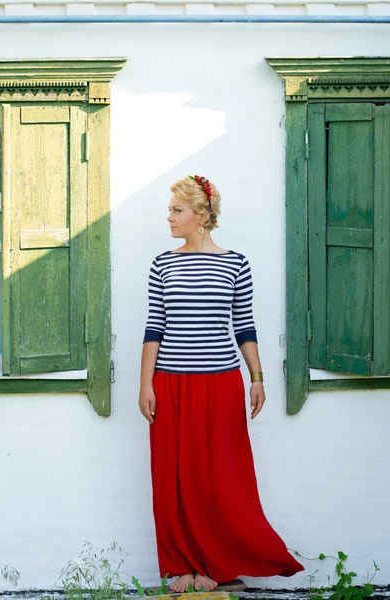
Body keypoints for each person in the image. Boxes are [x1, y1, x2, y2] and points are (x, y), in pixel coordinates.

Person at [139, 175, 304, 593]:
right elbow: (153, 328)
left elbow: (244, 326)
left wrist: (258, 378)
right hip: (172, 384)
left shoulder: (235, 264)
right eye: (171, 209)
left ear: (202, 214)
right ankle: (182, 565)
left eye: (177, 209)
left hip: (220, 384)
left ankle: (214, 562)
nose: (170, 217)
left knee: (218, 476)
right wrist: (146, 385)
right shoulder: (163, 263)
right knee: (173, 475)